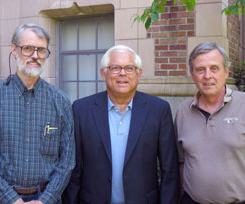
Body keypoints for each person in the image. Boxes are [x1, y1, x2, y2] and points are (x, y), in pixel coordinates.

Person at [0, 23, 75, 204]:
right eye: (28, 48)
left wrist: (46, 200)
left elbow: (67, 160)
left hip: (44, 198)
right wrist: (11, 199)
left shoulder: (61, 102)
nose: (35, 56)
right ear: (14, 49)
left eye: (41, 50)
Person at [62, 45, 180, 204]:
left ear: (139, 74)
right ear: (103, 74)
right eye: (115, 68)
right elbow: (73, 168)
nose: (122, 73)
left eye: (129, 68)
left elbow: (169, 169)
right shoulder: (81, 109)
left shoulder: (159, 110)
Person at [175, 41, 245, 204]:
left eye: (214, 68)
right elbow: (182, 164)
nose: (207, 76)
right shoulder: (183, 111)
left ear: (226, 71)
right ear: (192, 74)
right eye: (200, 70)